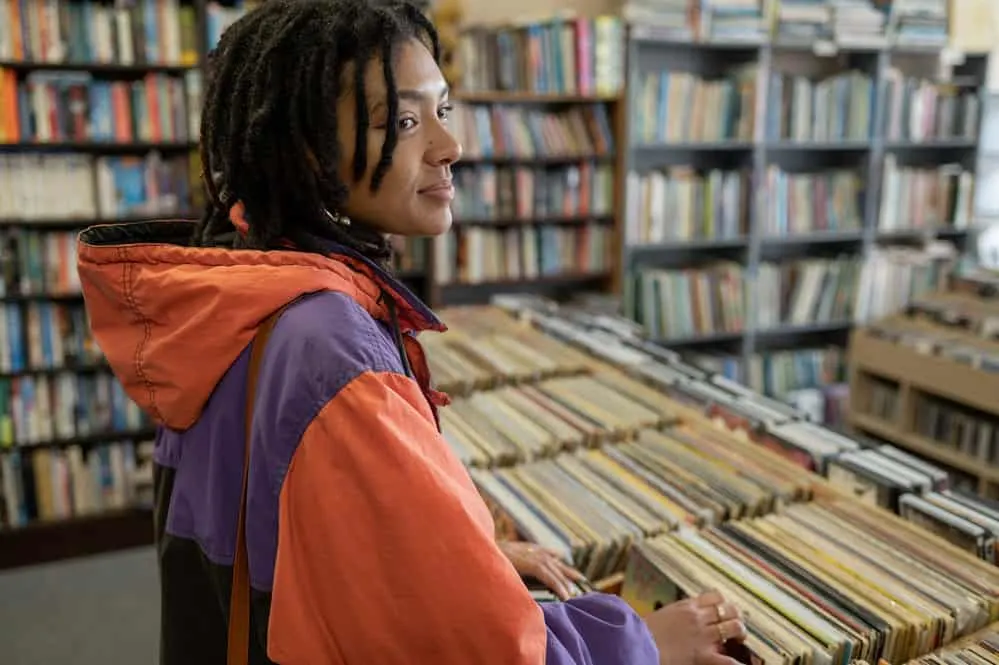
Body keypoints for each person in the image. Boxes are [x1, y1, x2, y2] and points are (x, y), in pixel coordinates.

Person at [75, 0, 747, 663]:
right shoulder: (333, 352)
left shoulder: (232, 286)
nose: (449, 146)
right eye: (401, 119)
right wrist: (643, 642)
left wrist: (456, 563)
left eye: (442, 109)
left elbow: (290, 533)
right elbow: (485, 652)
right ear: (310, 150)